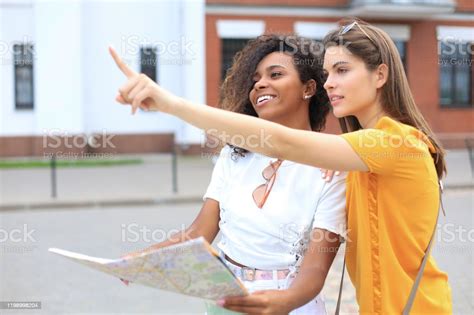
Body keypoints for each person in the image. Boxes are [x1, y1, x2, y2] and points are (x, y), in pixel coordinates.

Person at [110, 18, 452, 313]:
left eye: (342, 70)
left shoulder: (394, 143)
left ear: (380, 75)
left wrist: (170, 104)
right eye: (328, 72)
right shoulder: (355, 157)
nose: (331, 82)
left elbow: (280, 141)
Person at [116, 35, 347, 314]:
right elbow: (198, 234)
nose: (260, 83)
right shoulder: (234, 154)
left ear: (309, 88)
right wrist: (142, 259)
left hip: (289, 303)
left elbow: (316, 266)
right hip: (226, 300)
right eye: (255, 79)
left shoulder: (333, 166)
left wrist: (284, 302)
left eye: (276, 74)